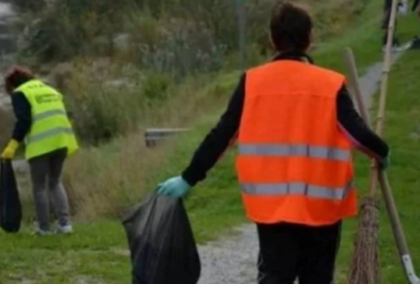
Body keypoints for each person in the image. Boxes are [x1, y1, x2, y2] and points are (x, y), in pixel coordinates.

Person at [158, 2, 390, 284]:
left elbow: (221, 135)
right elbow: (359, 135)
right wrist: (382, 152)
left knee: (275, 277)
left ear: (272, 38)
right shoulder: (329, 84)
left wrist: (188, 178)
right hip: (322, 209)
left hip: (273, 210)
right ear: (309, 38)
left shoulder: (252, 83)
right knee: (316, 278)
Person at [1, 66, 78, 235]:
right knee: (55, 182)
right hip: (62, 140)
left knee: (39, 186)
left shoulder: (20, 93)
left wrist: (13, 144)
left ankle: (44, 228)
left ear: (12, 85)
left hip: (41, 143)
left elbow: (24, 120)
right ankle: (65, 225)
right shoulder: (49, 89)